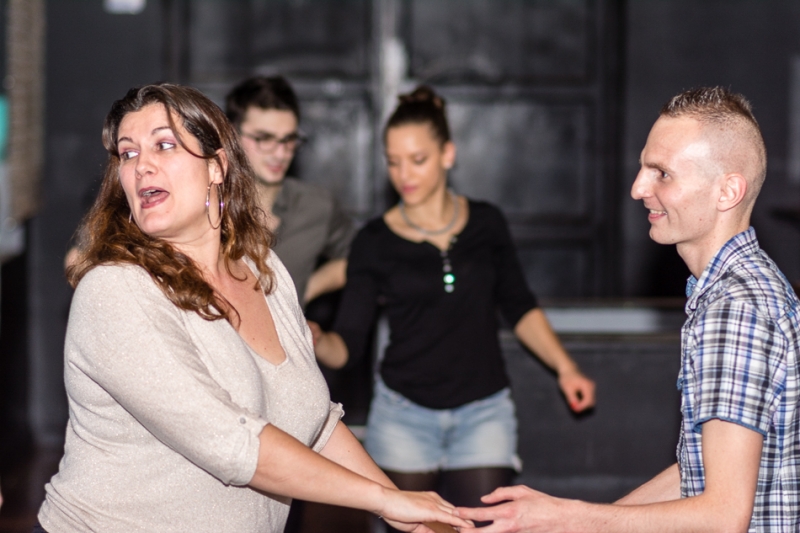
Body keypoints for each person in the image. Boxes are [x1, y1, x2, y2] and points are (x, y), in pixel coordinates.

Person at [35, 83, 472, 533]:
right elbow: (233, 443)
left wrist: (407, 516)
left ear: (217, 166)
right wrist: (384, 500)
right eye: (128, 153)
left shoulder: (263, 269)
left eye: (164, 145)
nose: (141, 165)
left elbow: (316, 424)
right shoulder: (115, 289)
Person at [456, 87, 800, 533]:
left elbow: (723, 515)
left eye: (662, 174)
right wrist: (581, 524)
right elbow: (701, 470)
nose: (638, 188)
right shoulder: (743, 288)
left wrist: (568, 518)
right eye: (643, 168)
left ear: (727, 191)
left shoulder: (735, 308)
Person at [311, 86, 596, 528]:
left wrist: (566, 368)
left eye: (417, 160)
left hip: (484, 412)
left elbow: (520, 306)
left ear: (447, 154)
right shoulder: (374, 241)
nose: (404, 174)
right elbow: (347, 345)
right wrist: (315, 339)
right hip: (403, 417)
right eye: (393, 161)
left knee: (485, 527)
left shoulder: (487, 222)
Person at [224, 76, 355, 306]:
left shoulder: (316, 205)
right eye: (264, 138)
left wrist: (306, 290)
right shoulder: (206, 208)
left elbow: (363, 257)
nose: (280, 153)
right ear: (231, 135)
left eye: (289, 139)